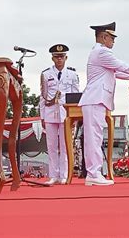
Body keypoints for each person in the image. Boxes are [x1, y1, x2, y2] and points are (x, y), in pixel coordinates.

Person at [78, 22, 129, 186]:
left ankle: (94, 173)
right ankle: (93, 173)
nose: (113, 41)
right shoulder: (102, 52)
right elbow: (121, 66)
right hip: (95, 98)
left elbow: (119, 72)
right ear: (104, 37)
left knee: (95, 137)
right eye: (112, 38)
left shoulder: (99, 53)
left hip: (96, 99)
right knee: (94, 138)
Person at [40, 44, 80, 185]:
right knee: (51, 146)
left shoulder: (73, 75)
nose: (59, 60)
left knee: (65, 145)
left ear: (66, 58)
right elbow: (43, 97)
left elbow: (76, 95)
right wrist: (42, 116)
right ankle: (53, 175)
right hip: (50, 112)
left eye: (62, 57)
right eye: (56, 57)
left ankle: (64, 175)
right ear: (52, 58)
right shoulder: (46, 74)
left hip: (66, 113)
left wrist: (75, 115)